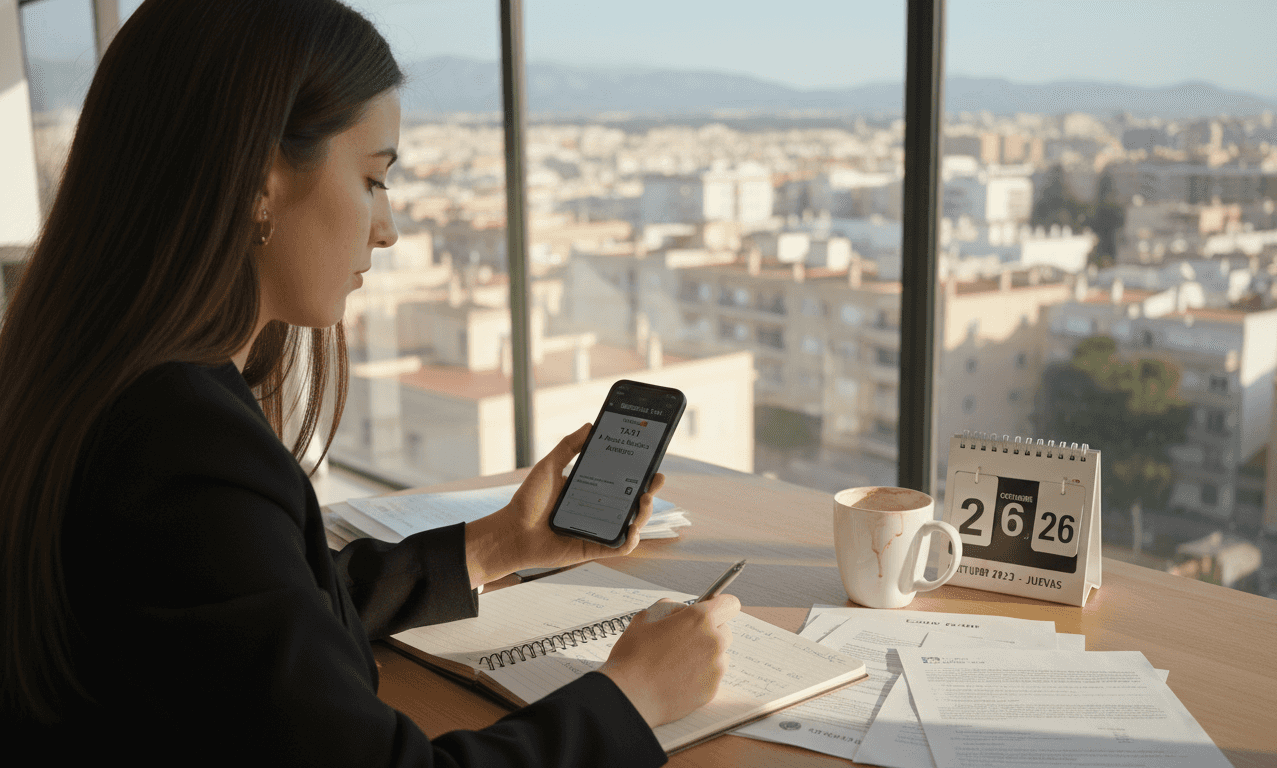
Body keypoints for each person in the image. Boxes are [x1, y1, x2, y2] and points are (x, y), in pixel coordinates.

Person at [0, 0, 739, 764]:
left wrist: (496, 544)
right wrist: (634, 696)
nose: (387, 228)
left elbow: (256, 612)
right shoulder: (185, 452)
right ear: (259, 181)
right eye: (373, 179)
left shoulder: (109, 384)